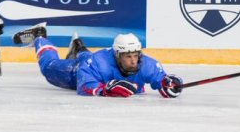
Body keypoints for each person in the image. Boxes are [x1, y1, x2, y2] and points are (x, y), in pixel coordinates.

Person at [12, 23, 184, 98]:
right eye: (128, 56)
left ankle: (78, 47)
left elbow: (162, 80)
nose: (133, 61)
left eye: (135, 55)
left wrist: (170, 84)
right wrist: (104, 90)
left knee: (87, 57)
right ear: (117, 56)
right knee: (49, 68)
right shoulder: (98, 64)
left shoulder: (146, 64)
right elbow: (84, 85)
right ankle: (40, 36)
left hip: (91, 61)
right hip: (78, 70)